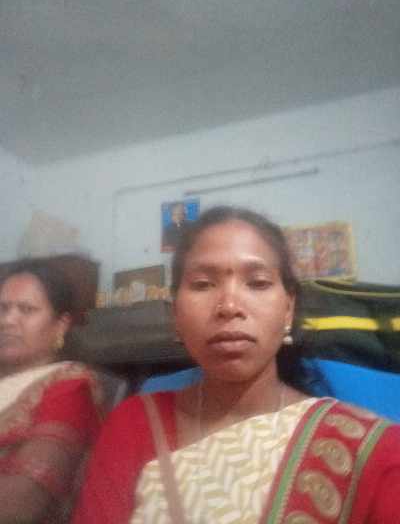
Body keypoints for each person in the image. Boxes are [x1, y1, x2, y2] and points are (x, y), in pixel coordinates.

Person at [73, 206, 400, 524]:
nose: (229, 306)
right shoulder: (133, 425)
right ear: (176, 315)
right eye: (203, 284)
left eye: (257, 283)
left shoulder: (369, 450)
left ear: (288, 309)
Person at [0, 258, 103, 523]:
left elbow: (22, 502)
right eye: (2, 308)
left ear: (61, 325)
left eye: (26, 309)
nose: (7, 320)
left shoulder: (70, 387)